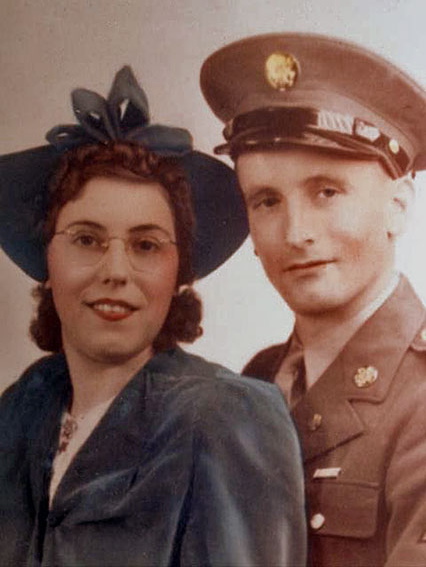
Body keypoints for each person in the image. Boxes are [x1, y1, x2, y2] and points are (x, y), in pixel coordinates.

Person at [0, 66, 307, 566]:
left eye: (146, 245)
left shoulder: (225, 418)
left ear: (178, 273)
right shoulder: (23, 407)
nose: (115, 271)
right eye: (86, 239)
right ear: (46, 261)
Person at [201, 33, 426, 566]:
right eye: (267, 201)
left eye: (326, 192)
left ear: (398, 206)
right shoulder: (257, 382)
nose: (295, 232)